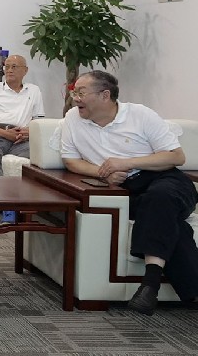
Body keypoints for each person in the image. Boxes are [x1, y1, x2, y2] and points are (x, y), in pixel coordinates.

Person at [61, 70, 196, 316]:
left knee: (159, 199)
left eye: (81, 93)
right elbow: (70, 160)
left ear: (105, 95)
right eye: (74, 92)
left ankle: (150, 283)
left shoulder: (140, 115)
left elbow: (176, 157)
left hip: (166, 180)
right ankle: (176, 289)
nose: (75, 98)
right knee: (169, 221)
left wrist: (127, 163)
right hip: (125, 190)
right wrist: (103, 173)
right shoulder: (72, 118)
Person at [0, 54, 45, 222]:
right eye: (7, 66)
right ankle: (6, 206)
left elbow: (39, 122)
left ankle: (39, 206)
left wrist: (28, 132)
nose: (9, 70)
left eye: (14, 67)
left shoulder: (34, 91)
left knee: (43, 155)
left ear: (25, 71)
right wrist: (5, 133)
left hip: (21, 139)